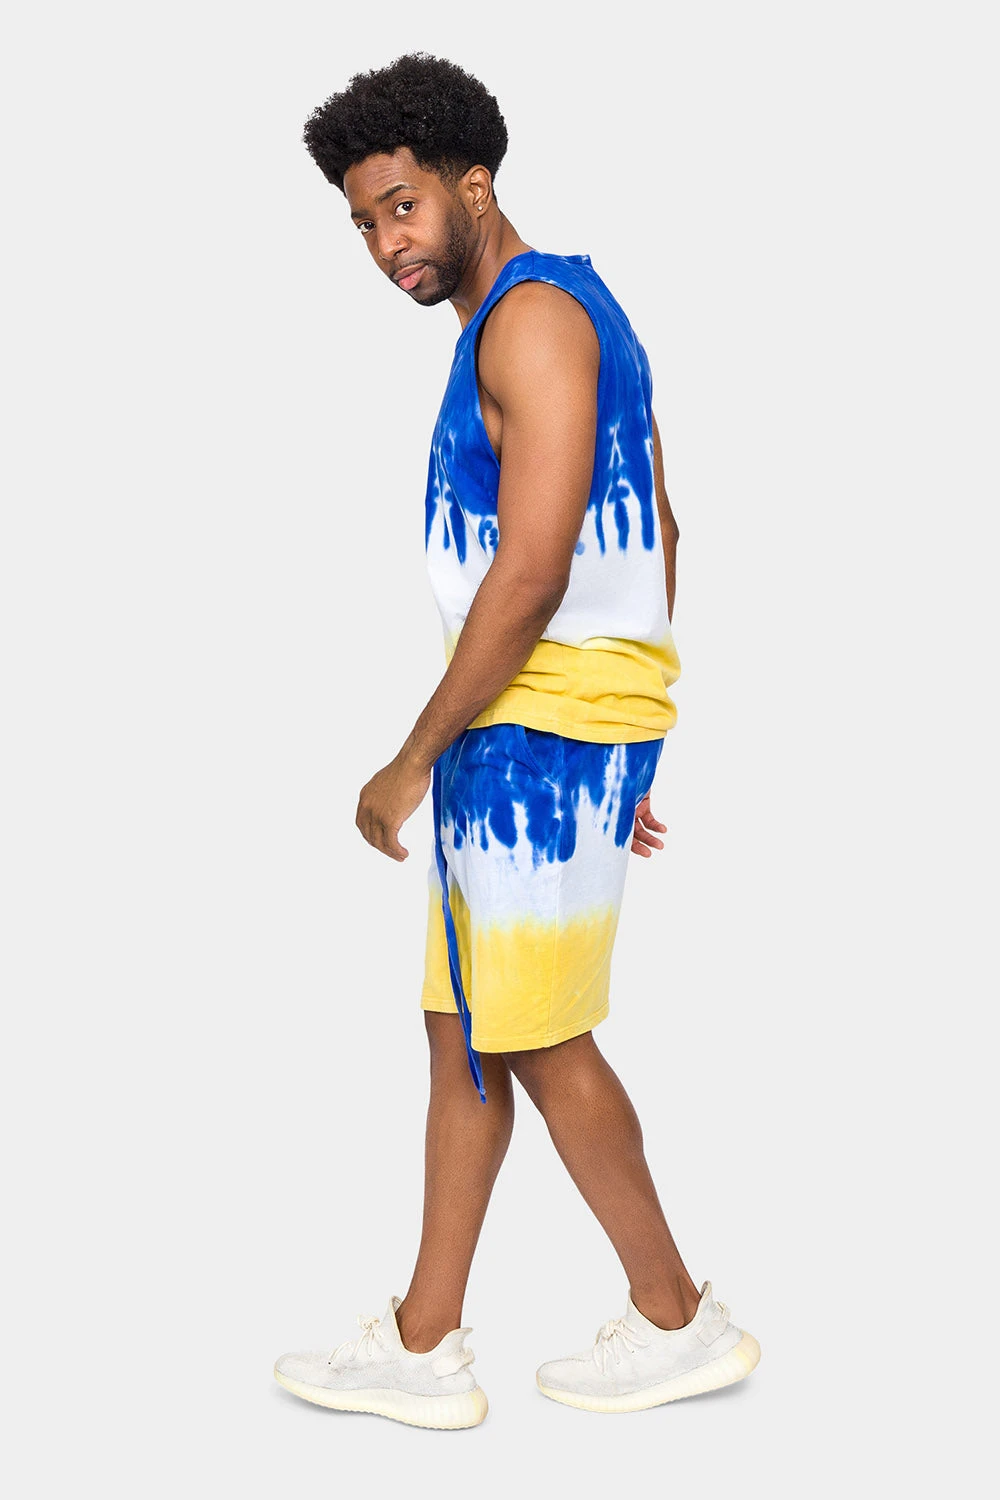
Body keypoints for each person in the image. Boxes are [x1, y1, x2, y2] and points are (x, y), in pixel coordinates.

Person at [273, 50, 760, 1429]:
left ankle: (678, 1317)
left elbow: (537, 570)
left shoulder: (531, 323)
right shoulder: (552, 310)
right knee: (466, 1031)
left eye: (403, 206)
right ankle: (425, 1340)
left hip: (530, 733)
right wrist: (634, 733)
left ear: (473, 183)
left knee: (538, 1038)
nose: (387, 244)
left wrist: (411, 758)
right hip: (548, 730)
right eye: (364, 223)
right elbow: (660, 530)